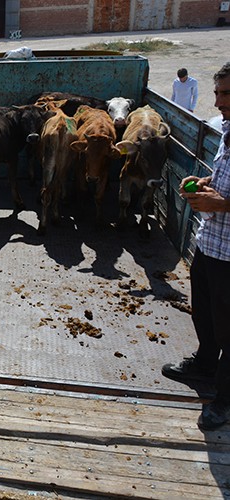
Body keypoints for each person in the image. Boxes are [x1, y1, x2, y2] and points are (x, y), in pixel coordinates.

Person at [162, 62, 230, 430]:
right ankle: (204, 365)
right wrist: (203, 180)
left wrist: (223, 203)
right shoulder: (228, 131)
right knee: (202, 312)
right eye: (218, 93)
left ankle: (223, 401)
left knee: (229, 329)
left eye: (226, 94)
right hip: (209, 243)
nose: (218, 102)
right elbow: (223, 179)